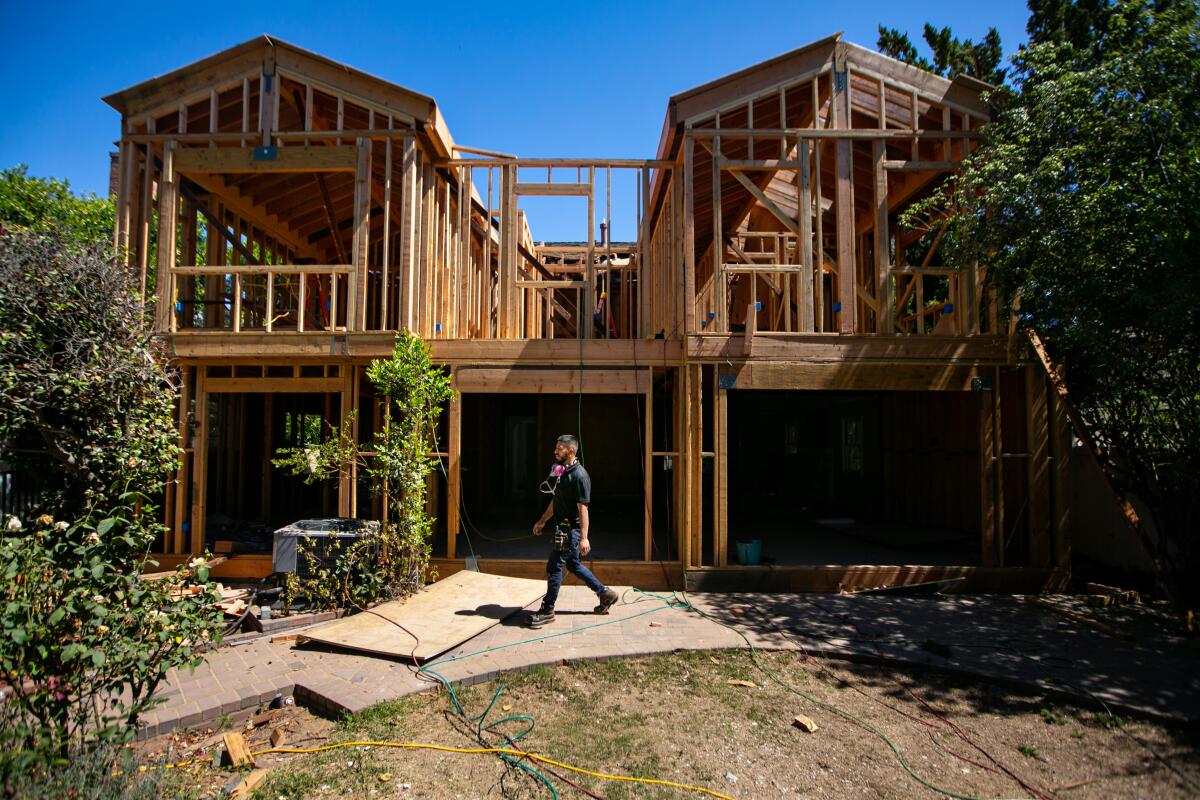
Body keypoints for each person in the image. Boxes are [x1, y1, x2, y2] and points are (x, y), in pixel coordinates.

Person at [528, 434, 618, 628]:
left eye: (559, 448)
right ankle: (605, 594)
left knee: (554, 567)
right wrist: (542, 520)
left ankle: (547, 610)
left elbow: (583, 508)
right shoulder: (562, 472)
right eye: (556, 447)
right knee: (574, 565)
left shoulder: (579, 476)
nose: (555, 451)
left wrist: (584, 538)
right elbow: (556, 501)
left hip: (571, 532)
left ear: (571, 451)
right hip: (562, 528)